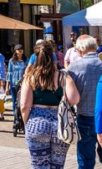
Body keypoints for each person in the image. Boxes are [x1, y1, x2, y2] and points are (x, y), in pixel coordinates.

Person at [20, 41, 80, 169]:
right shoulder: (63, 76)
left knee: (39, 164)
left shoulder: (30, 77)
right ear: (52, 54)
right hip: (59, 123)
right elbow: (75, 99)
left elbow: (24, 105)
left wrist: (26, 123)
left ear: (36, 56)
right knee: (57, 165)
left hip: (37, 121)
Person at [66, 35, 102, 169]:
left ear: (80, 49)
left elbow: (70, 95)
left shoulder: (74, 66)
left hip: (84, 115)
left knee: (85, 158)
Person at [6, 44, 27, 129]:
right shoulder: (12, 61)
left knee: (22, 102)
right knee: (15, 102)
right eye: (18, 49)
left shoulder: (26, 60)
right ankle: (15, 118)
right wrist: (7, 87)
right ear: (15, 51)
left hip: (23, 85)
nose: (20, 50)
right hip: (13, 84)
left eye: (21, 49)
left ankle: (22, 118)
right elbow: (9, 74)